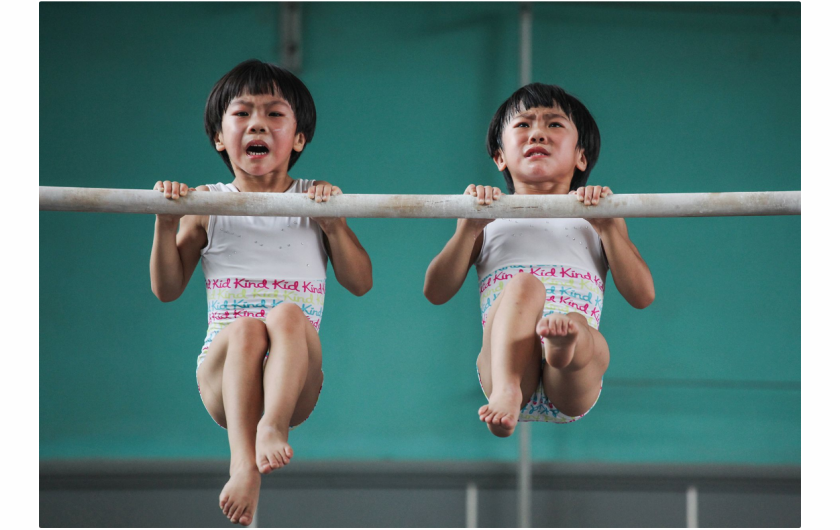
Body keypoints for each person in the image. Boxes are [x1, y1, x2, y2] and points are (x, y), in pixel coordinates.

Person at [149, 59, 373, 526]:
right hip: (223, 376)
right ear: (218, 136)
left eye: (274, 114)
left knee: (288, 315)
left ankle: (271, 424)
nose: (258, 124)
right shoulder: (206, 205)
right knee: (249, 327)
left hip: (295, 383)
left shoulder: (317, 200)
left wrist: (335, 225)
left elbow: (360, 282)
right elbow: (168, 289)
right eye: (242, 113)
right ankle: (242, 464)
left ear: (298, 138)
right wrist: (165, 219)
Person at [424, 83, 654, 438]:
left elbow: (642, 295)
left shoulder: (598, 217)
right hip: (504, 369)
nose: (538, 134)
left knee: (577, 326)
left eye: (554, 125)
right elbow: (436, 291)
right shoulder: (488, 217)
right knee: (525, 285)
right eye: (523, 125)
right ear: (500, 156)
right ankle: (511, 386)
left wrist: (609, 228)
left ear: (581, 156)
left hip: (574, 381)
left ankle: (562, 347)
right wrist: (467, 229)